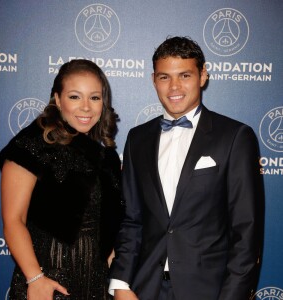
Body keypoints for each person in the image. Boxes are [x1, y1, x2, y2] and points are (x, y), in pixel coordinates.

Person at [109, 36, 263, 300]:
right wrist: (121, 284)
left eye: (185, 75)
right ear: (153, 79)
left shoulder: (235, 136)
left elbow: (246, 232)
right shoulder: (138, 138)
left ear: (203, 76)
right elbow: (131, 220)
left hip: (209, 291)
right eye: (164, 77)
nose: (174, 87)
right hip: (145, 288)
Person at [0, 59, 123, 300]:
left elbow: (109, 227)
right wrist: (35, 279)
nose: (86, 107)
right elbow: (14, 220)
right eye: (75, 97)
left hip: (95, 285)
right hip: (49, 283)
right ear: (57, 99)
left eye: (95, 98)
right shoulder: (32, 145)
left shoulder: (106, 157)